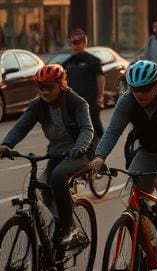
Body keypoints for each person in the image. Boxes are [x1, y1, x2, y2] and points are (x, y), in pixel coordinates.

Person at [89, 60, 157, 256]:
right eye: (135, 89)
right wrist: (99, 156)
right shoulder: (127, 101)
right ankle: (152, 229)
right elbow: (112, 131)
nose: (139, 94)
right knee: (135, 194)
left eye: (145, 89)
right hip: (147, 150)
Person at [0, 64, 94, 253]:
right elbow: (21, 126)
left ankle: (70, 229)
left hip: (81, 153)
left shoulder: (77, 103)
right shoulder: (37, 105)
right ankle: (61, 219)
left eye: (49, 87)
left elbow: (87, 130)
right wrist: (7, 144)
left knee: (58, 177)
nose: (44, 91)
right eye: (40, 87)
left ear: (62, 84)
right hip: (56, 153)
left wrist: (80, 147)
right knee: (43, 185)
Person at [60, 27, 105, 141]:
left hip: (91, 101)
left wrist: (100, 96)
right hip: (74, 101)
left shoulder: (93, 61)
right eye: (73, 43)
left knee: (94, 125)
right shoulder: (67, 63)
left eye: (78, 43)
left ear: (85, 43)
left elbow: (100, 77)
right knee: (77, 127)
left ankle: (101, 149)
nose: (75, 46)